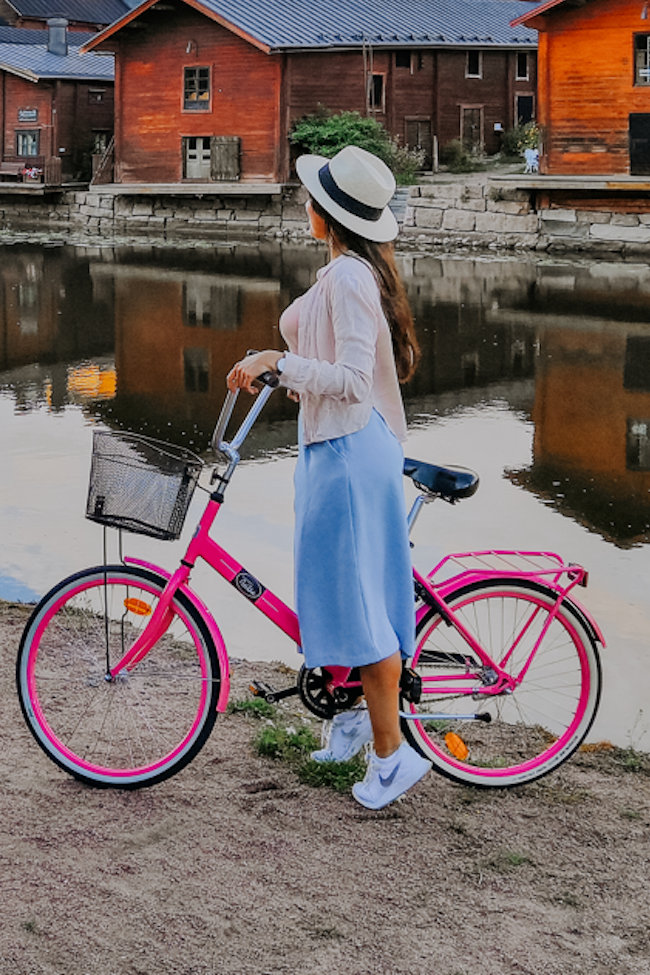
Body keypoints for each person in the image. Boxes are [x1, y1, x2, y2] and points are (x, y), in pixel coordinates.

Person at [227, 144, 426, 811]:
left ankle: (392, 760)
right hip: (333, 445)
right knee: (337, 593)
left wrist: (274, 364)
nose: (304, 205)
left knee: (359, 603)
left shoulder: (346, 279)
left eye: (310, 198)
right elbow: (340, 377)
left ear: (326, 212)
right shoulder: (345, 271)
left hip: (346, 454)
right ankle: (349, 717)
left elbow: (347, 382)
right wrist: (292, 377)